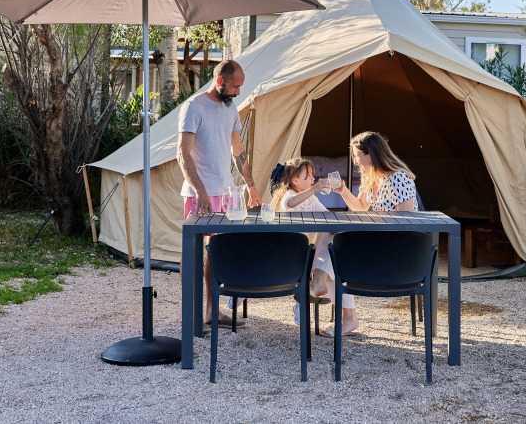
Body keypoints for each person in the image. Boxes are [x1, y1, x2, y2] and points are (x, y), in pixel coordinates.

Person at [177, 59, 262, 329]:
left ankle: (212, 312)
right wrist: (200, 190)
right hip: (198, 194)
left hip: (226, 195)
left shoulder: (231, 109)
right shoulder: (193, 107)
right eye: (235, 86)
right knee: (191, 253)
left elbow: (238, 151)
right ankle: (191, 313)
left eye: (240, 87)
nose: (238, 92)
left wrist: (251, 185)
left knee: (218, 253)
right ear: (220, 81)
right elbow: (182, 153)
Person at [270, 158, 359, 336]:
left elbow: (327, 215)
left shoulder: (311, 199)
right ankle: (320, 285)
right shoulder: (288, 196)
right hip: (293, 256)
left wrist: (337, 227)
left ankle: (320, 283)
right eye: (308, 176)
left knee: (335, 247)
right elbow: (291, 204)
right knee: (331, 247)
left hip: (311, 255)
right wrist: (315, 189)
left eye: (312, 175)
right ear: (294, 180)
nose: (313, 178)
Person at [333, 131, 418, 212]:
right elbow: (361, 207)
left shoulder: (398, 178)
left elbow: (406, 222)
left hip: (396, 227)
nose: (355, 162)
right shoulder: (371, 178)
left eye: (356, 156)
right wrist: (343, 191)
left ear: (371, 155)